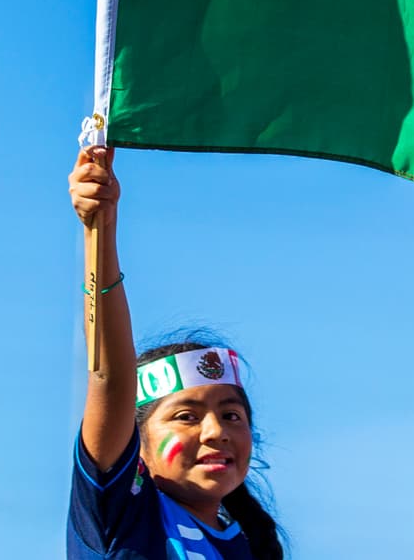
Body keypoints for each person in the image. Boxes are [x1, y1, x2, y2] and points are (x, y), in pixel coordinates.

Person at [67, 146, 285, 559]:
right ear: (137, 445)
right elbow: (109, 379)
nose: (215, 432)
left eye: (232, 416)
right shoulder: (124, 514)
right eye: (186, 416)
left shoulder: (253, 545)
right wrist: (100, 229)